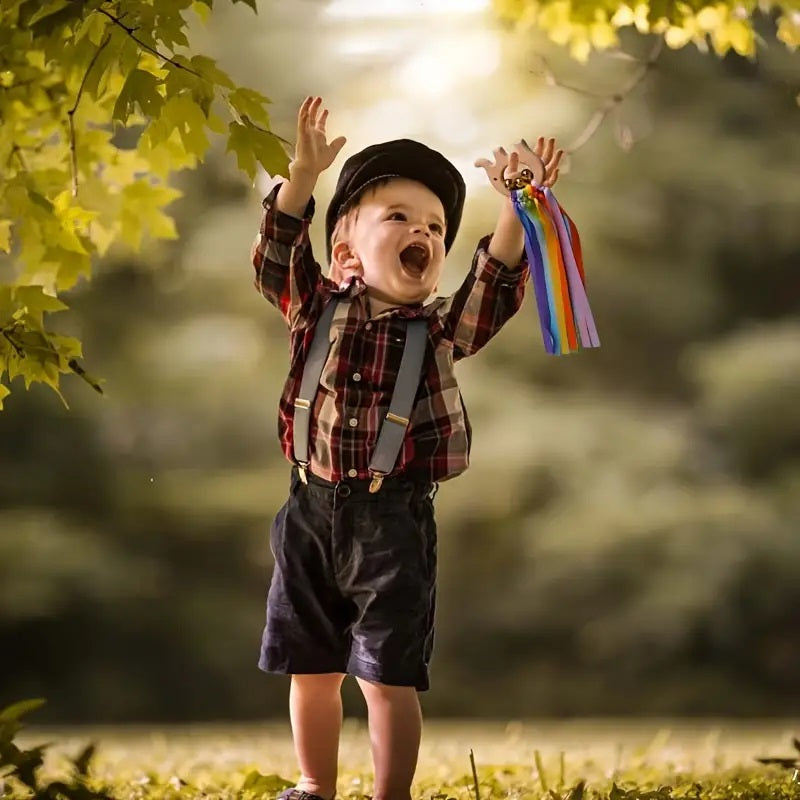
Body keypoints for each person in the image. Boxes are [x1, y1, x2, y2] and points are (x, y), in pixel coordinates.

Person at [251, 96, 564, 800]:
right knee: (312, 666)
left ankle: (391, 793)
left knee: (386, 674)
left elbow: (495, 284)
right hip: (306, 508)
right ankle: (314, 784)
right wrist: (300, 180)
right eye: (398, 218)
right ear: (344, 248)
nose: (422, 233)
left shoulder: (440, 332)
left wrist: (515, 210)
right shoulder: (315, 307)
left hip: (392, 520)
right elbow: (276, 256)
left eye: (435, 227)